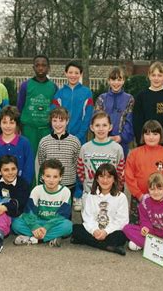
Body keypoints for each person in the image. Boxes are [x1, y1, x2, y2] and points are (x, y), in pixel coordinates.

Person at [52, 60, 94, 211]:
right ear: (65, 73)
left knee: (78, 165)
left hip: (79, 136)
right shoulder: (59, 93)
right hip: (62, 135)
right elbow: (55, 114)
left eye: (77, 73)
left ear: (81, 74)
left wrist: (81, 133)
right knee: (62, 163)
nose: (73, 75)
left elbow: (88, 115)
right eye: (70, 72)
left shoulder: (86, 93)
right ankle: (61, 195)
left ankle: (77, 195)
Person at [125, 120, 163, 224]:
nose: (151, 137)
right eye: (147, 133)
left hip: (160, 197)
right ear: (143, 135)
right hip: (139, 198)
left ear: (161, 135)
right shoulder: (134, 154)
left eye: (155, 134)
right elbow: (129, 175)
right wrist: (139, 195)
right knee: (137, 225)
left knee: (160, 225)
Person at [71, 163, 129, 256]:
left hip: (111, 232)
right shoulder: (90, 195)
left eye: (109, 177)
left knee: (122, 236)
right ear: (97, 179)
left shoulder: (121, 197)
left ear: (114, 179)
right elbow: (87, 217)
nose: (105, 180)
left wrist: (106, 231)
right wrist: (94, 230)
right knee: (75, 229)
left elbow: (122, 221)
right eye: (101, 176)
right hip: (94, 231)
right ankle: (108, 247)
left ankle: (91, 242)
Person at [12, 159, 72, 246]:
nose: (51, 180)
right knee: (16, 224)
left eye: (55, 177)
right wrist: (34, 226)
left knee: (68, 226)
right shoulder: (37, 189)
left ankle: (33, 239)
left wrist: (46, 227)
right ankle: (49, 238)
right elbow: (29, 212)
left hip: (54, 224)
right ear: (42, 176)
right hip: (37, 221)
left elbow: (62, 215)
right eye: (48, 176)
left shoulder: (65, 191)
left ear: (60, 177)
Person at [37, 107, 81, 207]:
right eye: (54, 120)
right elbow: (42, 162)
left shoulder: (75, 141)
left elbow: (76, 163)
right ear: (50, 122)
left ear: (67, 121)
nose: (58, 124)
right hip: (48, 184)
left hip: (68, 184)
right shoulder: (44, 141)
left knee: (65, 214)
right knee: (47, 211)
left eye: (61, 120)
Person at [17, 54, 58, 157]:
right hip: (29, 129)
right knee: (29, 157)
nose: (40, 68)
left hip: (46, 129)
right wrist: (19, 127)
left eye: (44, 65)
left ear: (48, 68)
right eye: (37, 65)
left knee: (46, 158)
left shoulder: (53, 87)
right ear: (33, 67)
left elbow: (56, 110)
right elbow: (19, 108)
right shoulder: (25, 85)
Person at [77, 111, 125, 197]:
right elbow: (80, 170)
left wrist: (116, 188)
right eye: (97, 125)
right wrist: (86, 183)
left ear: (110, 127)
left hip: (111, 194)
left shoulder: (117, 148)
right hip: (89, 193)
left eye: (104, 125)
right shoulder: (85, 148)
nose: (101, 129)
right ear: (92, 127)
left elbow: (120, 172)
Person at [133, 61, 163, 150]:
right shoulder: (141, 97)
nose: (156, 78)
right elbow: (137, 122)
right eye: (153, 75)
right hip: (144, 145)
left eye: (159, 75)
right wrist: (142, 140)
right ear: (149, 76)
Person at [0, 106, 34, 186]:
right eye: (4, 122)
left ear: (16, 124)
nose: (8, 126)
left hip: (21, 188)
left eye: (11, 122)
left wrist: (23, 186)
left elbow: (29, 169)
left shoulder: (25, 143)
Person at [95, 67, 135, 158]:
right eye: (113, 79)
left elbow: (130, 121)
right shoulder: (101, 98)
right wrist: (104, 136)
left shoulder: (129, 99)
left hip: (122, 143)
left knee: (120, 169)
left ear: (123, 81)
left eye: (119, 79)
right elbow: (96, 120)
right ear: (108, 80)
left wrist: (121, 137)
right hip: (103, 141)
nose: (116, 83)